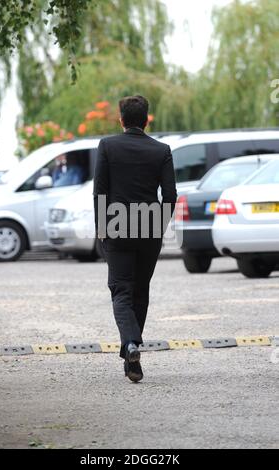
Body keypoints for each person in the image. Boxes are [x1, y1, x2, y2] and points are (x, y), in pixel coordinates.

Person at [93, 95, 177, 382]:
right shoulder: (162, 150)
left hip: (116, 226)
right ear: (147, 119)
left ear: (121, 119)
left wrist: (101, 227)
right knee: (140, 290)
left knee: (121, 290)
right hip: (149, 229)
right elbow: (170, 195)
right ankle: (133, 362)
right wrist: (160, 225)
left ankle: (130, 344)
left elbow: (100, 191)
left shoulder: (107, 146)